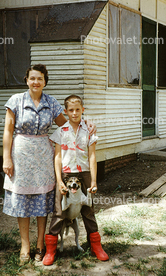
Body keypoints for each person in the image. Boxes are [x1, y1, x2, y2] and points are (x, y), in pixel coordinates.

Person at [2, 65, 95, 265]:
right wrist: (6, 158)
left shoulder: (50, 102)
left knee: (42, 200)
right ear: (26, 80)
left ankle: (40, 244)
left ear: (45, 81)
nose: (36, 82)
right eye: (32, 78)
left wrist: (87, 123)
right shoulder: (16, 100)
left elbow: (67, 123)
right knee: (23, 201)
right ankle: (24, 245)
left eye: (40, 78)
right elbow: (8, 131)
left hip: (44, 155)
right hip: (21, 154)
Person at [42, 94, 109, 266]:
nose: (74, 113)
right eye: (70, 110)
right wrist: (60, 181)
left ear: (83, 110)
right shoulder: (60, 132)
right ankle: (51, 250)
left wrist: (93, 180)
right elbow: (57, 157)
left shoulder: (89, 131)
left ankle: (96, 246)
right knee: (59, 211)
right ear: (65, 111)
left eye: (77, 110)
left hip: (84, 174)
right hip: (65, 174)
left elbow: (92, 156)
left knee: (88, 209)